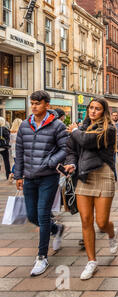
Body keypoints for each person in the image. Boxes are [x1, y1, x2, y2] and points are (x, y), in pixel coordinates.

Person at [64, 98, 118, 280]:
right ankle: (91, 261)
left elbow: (87, 141)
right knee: (86, 220)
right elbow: (71, 150)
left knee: (101, 222)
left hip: (103, 174)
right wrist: (71, 163)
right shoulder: (81, 128)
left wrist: (74, 131)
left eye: (98, 109)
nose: (93, 111)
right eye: (91, 108)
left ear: (104, 112)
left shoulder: (109, 129)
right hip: (84, 177)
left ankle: (112, 232)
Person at [14, 90, 68, 276]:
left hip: (48, 176)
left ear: (46, 104)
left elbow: (65, 149)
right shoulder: (24, 125)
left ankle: (41, 257)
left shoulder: (57, 125)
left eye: (38, 103)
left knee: (43, 214)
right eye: (32, 103)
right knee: (32, 216)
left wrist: (51, 162)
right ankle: (57, 228)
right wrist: (18, 174)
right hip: (29, 177)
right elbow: (19, 151)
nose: (34, 106)